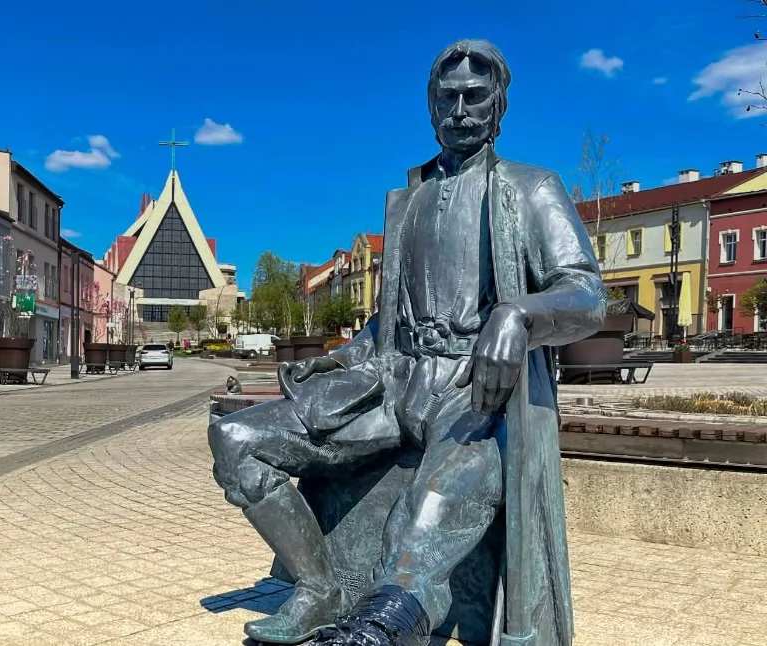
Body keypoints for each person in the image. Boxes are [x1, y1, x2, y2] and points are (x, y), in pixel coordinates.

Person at [207, 39, 605, 646]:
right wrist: (341, 355)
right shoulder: (407, 201)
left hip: (475, 393)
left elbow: (585, 294)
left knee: (433, 504)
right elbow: (390, 320)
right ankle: (320, 590)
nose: (462, 110)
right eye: (449, 98)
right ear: (430, 105)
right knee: (238, 439)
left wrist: (519, 314)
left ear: (499, 105)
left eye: (477, 96)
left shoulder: (530, 188)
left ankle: (384, 626)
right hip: (393, 380)